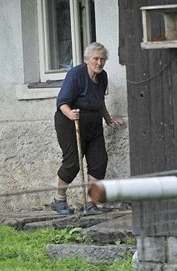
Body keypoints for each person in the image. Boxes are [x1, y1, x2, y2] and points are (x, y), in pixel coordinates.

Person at [51, 42, 124, 215]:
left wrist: (108, 119)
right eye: (96, 59)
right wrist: (70, 114)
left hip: (93, 122)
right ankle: (59, 201)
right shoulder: (75, 74)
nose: (99, 63)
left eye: (103, 59)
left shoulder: (103, 77)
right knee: (72, 163)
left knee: (99, 161)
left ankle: (91, 204)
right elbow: (62, 102)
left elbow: (99, 101)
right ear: (87, 60)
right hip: (70, 121)